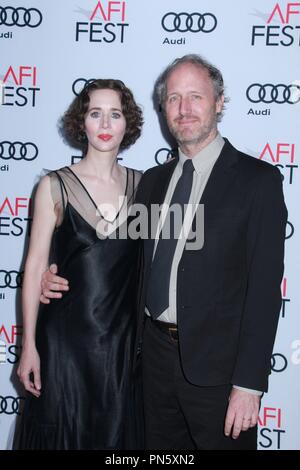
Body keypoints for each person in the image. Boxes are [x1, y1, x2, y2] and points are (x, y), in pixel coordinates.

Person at [40, 54, 287, 450]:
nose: (184, 109)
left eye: (195, 97)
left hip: (220, 378)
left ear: (219, 102)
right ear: (163, 109)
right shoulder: (151, 184)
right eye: (173, 98)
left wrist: (249, 384)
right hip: (149, 366)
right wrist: (52, 273)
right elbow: (115, 255)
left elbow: (263, 292)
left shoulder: (257, 181)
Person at [14, 78, 144, 450]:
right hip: (63, 347)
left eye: (115, 114)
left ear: (127, 123)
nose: (105, 125)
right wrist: (28, 348)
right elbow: (36, 266)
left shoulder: (147, 188)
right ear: (81, 122)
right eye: (95, 114)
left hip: (122, 349)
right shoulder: (54, 186)